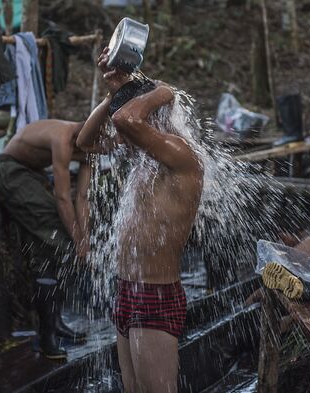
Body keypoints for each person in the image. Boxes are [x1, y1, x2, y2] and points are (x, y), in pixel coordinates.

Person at [77, 48, 204, 393]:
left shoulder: (182, 154)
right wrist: (112, 95)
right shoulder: (144, 157)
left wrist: (161, 91)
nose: (128, 138)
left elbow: (126, 121)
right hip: (126, 289)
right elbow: (85, 142)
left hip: (155, 295)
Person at [0, 119, 90, 359]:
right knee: (57, 230)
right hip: (12, 171)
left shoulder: (93, 148)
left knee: (48, 249)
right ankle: (46, 336)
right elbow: (63, 198)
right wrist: (77, 242)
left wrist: (85, 239)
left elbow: (83, 198)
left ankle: (53, 325)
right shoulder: (62, 137)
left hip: (33, 175)